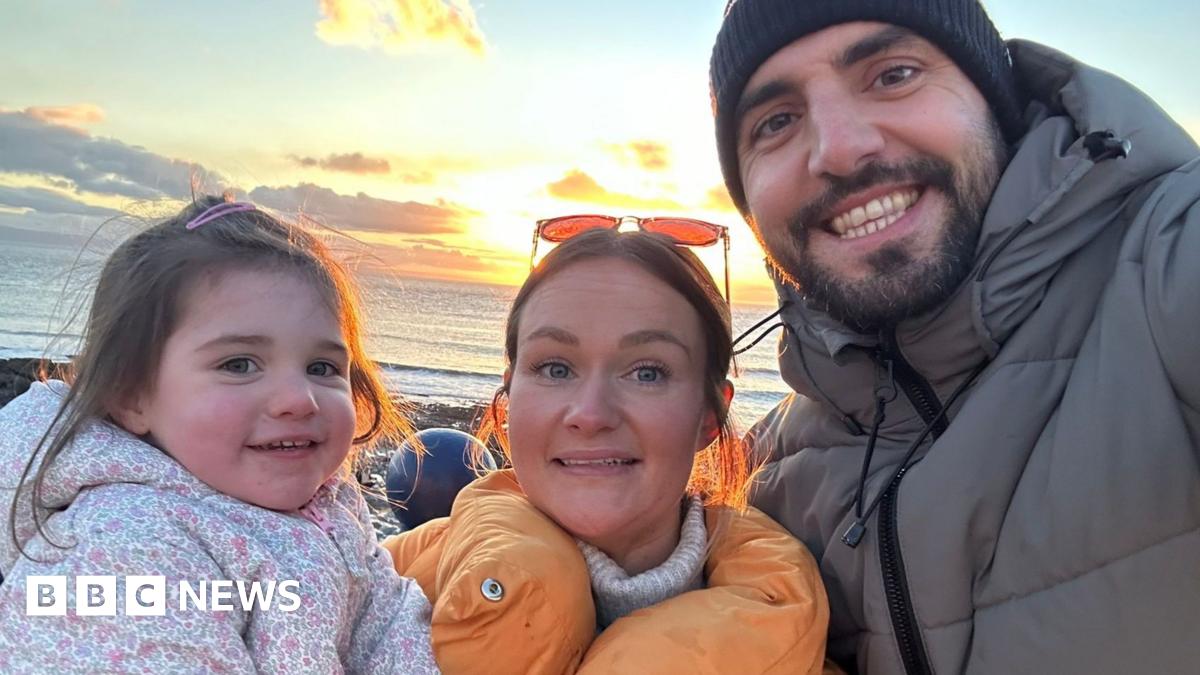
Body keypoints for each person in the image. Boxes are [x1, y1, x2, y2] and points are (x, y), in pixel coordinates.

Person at [707, 1, 1200, 673]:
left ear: (994, 101)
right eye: (776, 122)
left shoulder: (1168, 265)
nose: (840, 149)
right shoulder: (767, 476)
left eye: (894, 75)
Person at [0, 197, 439, 673]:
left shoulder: (333, 506)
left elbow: (388, 622)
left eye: (321, 367)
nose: (299, 399)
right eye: (239, 364)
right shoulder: (126, 550)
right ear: (132, 396)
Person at [383, 227, 830, 674]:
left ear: (709, 417)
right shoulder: (372, 587)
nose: (591, 414)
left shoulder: (794, 651)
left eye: (647, 373)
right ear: (510, 399)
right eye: (556, 368)